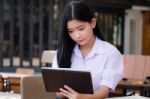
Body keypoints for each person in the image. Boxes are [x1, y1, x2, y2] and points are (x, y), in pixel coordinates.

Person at [52, 0, 124, 99]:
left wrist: (81, 98)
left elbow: (104, 92)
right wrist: (60, 91)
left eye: (81, 29)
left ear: (92, 23)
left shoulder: (110, 52)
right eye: (71, 31)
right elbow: (58, 94)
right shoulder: (62, 53)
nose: (77, 35)